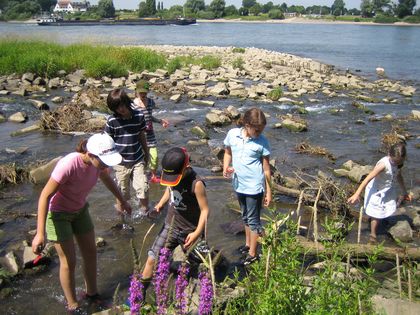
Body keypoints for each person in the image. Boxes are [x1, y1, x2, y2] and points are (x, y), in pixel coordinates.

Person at [31, 133, 132, 313]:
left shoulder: (99, 165)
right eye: (103, 161)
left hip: (80, 210)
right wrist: (40, 233)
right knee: (69, 262)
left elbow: (107, 180)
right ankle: (73, 305)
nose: (106, 164)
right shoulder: (69, 164)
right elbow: (45, 196)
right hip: (58, 215)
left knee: (91, 253)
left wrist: (122, 200)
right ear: (91, 154)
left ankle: (92, 294)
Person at [140, 147, 210, 291]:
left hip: (190, 232)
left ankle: (203, 295)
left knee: (199, 265)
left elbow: (205, 211)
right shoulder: (172, 178)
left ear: (186, 167)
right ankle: (138, 297)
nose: (171, 181)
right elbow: (169, 189)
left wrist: (197, 233)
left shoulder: (196, 184)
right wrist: (160, 204)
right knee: (152, 258)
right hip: (170, 226)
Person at [223, 107, 272, 265]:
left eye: (261, 130)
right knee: (245, 217)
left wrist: (269, 192)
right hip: (239, 183)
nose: (258, 133)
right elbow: (228, 152)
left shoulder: (262, 141)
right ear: (246, 124)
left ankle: (253, 253)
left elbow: (266, 169)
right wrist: (226, 167)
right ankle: (247, 244)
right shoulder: (233, 135)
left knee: (254, 220)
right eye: (256, 130)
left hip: (255, 186)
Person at [347, 142, 411, 244]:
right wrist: (357, 193)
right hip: (376, 191)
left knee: (385, 208)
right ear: (389, 154)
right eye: (394, 162)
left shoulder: (398, 163)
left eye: (399, 162)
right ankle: (373, 235)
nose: (396, 164)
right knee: (375, 214)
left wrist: (404, 192)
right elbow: (367, 179)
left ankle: (379, 219)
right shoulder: (383, 165)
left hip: (387, 190)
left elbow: (399, 176)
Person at [104, 88, 150, 215]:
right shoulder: (112, 120)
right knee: (122, 193)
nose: (120, 109)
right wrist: (106, 163)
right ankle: (121, 220)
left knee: (143, 187)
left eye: (122, 105)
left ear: (126, 102)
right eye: (116, 108)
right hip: (120, 162)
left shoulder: (139, 116)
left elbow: (141, 136)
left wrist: (147, 153)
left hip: (137, 159)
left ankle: (145, 213)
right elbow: (108, 142)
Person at [133, 80, 169, 184]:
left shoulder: (151, 102)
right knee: (142, 156)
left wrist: (160, 121)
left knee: (154, 155)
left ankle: (153, 175)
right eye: (141, 93)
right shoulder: (133, 105)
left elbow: (149, 116)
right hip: (139, 134)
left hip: (150, 134)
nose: (143, 94)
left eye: (145, 92)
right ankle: (142, 174)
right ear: (136, 92)